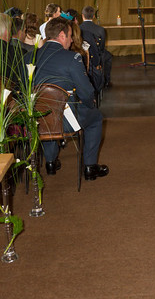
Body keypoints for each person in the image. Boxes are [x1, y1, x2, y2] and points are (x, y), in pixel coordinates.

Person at [26, 17, 109, 180]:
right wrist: (90, 104)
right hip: (66, 121)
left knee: (45, 112)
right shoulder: (72, 59)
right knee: (96, 117)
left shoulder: (27, 58)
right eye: (70, 36)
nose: (71, 41)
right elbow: (86, 92)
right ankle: (90, 167)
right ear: (62, 36)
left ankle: (50, 162)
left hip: (35, 121)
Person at [80, 5, 112, 87]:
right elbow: (102, 47)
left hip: (81, 54)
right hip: (96, 55)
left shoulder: (78, 28)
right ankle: (106, 80)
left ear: (82, 15)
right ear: (94, 16)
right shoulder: (100, 29)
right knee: (108, 56)